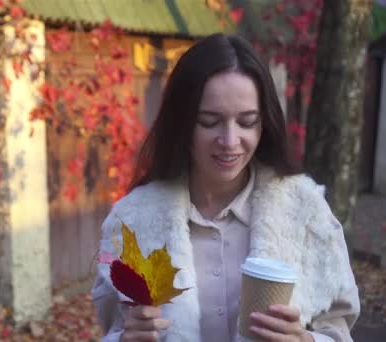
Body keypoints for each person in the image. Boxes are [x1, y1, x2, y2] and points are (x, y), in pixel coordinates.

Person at [91, 33, 360, 342]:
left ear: (265, 122)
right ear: (182, 122)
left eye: (247, 122)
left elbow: (339, 327)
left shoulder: (306, 212)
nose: (230, 141)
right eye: (209, 121)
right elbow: (113, 328)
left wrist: (306, 340)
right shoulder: (133, 223)